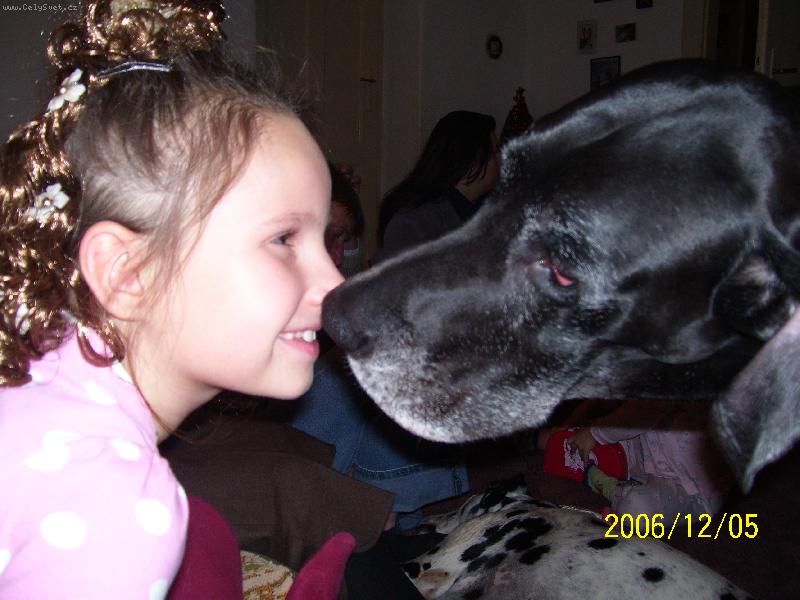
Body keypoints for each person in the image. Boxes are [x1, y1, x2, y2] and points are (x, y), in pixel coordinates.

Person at [0, 1, 348, 597]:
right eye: (284, 239)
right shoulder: (113, 510)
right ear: (129, 274)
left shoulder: (45, 358)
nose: (337, 287)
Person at [544, 399, 733, 526]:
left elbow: (643, 413)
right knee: (573, 443)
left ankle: (611, 487)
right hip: (647, 447)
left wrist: (595, 433)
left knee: (635, 510)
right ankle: (548, 438)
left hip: (692, 489)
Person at [377, 110, 501, 260]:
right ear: (471, 160)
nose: (502, 159)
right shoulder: (415, 223)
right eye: (495, 152)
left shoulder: (490, 210)